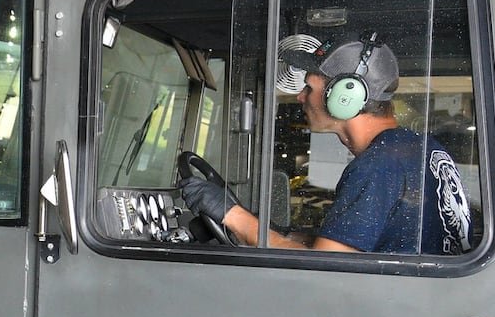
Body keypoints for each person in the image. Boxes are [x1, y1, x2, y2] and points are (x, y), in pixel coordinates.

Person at [179, 33, 472, 255]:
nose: (300, 97)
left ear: (346, 96)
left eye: (309, 87)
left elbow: (325, 270)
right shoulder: (421, 148)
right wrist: (284, 236)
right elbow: (367, 247)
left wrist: (232, 215)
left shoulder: (378, 165)